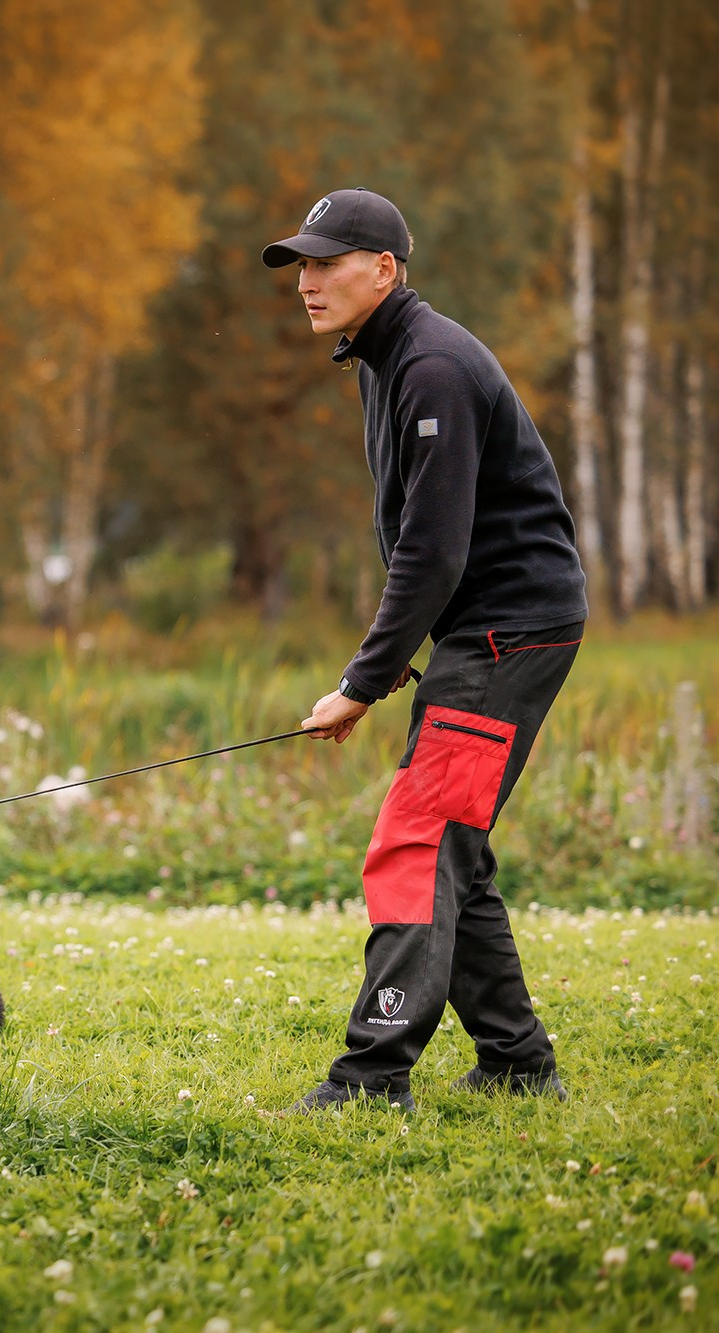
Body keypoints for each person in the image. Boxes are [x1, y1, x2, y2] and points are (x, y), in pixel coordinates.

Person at [262, 188, 588, 1114]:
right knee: (455, 844)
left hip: (509, 628)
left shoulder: (433, 365)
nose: (308, 282)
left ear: (385, 271)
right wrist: (403, 651)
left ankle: (372, 1076)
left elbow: (433, 550)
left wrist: (361, 683)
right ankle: (518, 1062)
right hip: (483, 623)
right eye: (302, 266)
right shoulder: (385, 356)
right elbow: (430, 541)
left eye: (327, 263)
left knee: (417, 838)